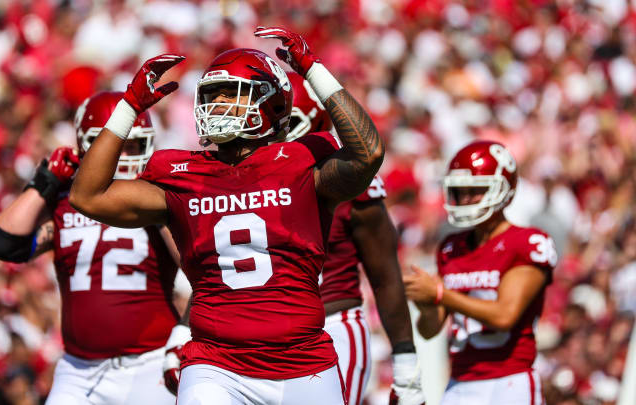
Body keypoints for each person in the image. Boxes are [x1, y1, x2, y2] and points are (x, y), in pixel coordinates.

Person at [69, 26, 384, 405]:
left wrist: (313, 68)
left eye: (230, 94)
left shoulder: (301, 162)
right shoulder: (182, 174)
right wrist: (129, 107)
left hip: (303, 360)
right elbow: (87, 196)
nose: (216, 105)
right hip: (216, 363)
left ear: (273, 103)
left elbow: (368, 153)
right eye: (210, 96)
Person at [0, 91, 183, 405]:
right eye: (115, 145)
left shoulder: (155, 197)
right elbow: (5, 243)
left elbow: (198, 269)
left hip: (149, 364)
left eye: (132, 145)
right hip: (79, 370)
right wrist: (45, 182)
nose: (123, 156)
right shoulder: (66, 201)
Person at [287, 72, 424, 405]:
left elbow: (386, 275)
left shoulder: (344, 179)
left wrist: (406, 362)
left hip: (331, 328)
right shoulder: (250, 177)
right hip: (269, 334)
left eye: (283, 119)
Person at [403, 141, 558, 405]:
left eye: (475, 190)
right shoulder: (451, 248)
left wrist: (440, 294)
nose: (465, 199)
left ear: (502, 189)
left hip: (509, 380)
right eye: (460, 191)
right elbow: (430, 330)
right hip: (460, 380)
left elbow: (504, 315)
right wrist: (427, 303)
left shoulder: (526, 242)